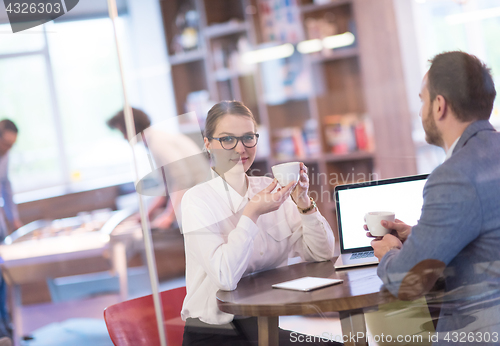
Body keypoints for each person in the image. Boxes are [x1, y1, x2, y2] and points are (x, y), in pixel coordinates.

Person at [180, 101, 339, 346]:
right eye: (227, 139)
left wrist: (303, 202)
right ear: (207, 143)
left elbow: (322, 254)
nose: (240, 148)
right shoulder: (196, 200)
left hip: (263, 325)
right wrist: (251, 213)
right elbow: (225, 277)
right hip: (215, 333)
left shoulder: (268, 188)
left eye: (247, 138)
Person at [370, 51, 500, 342]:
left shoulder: (453, 176)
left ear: (439, 105)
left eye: (422, 100)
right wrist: (417, 234)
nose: (420, 111)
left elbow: (408, 282)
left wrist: (389, 251)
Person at [107, 108, 207, 229]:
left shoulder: (158, 143)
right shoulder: (157, 138)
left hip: (202, 204)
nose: (123, 137)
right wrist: (148, 213)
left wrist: (169, 215)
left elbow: (182, 180)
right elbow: (168, 186)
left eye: (122, 131)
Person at [0, 119, 22, 239]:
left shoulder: (5, 155)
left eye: (12, 145)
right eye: (6, 144)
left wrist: (13, 218)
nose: (8, 149)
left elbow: (5, 185)